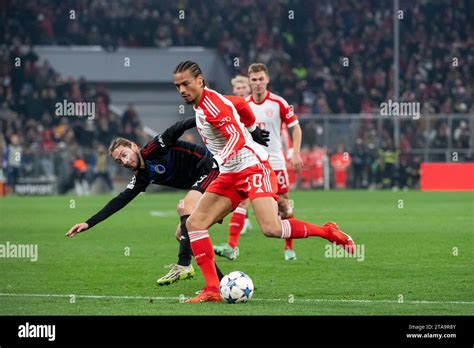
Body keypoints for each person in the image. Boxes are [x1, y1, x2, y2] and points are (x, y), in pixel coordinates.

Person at [173, 60, 355, 302]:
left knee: (271, 228)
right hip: (230, 173)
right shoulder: (206, 102)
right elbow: (239, 103)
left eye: (186, 83)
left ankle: (327, 231)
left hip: (252, 167)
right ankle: (212, 289)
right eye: (178, 86)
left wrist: (221, 157)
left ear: (200, 80)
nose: (182, 90)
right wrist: (252, 127)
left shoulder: (212, 106)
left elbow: (237, 137)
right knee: (195, 224)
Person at [66, 118, 226, 285]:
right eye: (119, 161)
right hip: (205, 183)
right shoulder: (142, 177)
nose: (125, 161)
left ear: (134, 146)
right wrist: (88, 223)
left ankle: (183, 264)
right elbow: (119, 201)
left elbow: (178, 127)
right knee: (182, 234)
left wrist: (204, 116)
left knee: (185, 206)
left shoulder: (155, 147)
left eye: (124, 154)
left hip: (213, 169)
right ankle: (220, 283)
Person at [214, 63, 304, 261]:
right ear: (249, 81)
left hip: (275, 162)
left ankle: (289, 248)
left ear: (267, 80)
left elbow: (295, 127)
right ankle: (231, 246)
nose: (258, 84)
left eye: (261, 79)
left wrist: (295, 152)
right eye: (254, 80)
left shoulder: (278, 103)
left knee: (283, 205)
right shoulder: (242, 105)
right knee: (243, 200)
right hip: (252, 161)